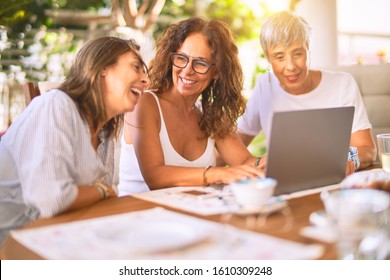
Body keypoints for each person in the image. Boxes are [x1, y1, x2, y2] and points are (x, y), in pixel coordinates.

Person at [0, 36, 149, 246]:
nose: (146, 81)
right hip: (12, 246)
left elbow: (97, 204)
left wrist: (99, 194)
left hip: (57, 238)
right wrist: (102, 191)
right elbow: (53, 200)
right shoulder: (55, 105)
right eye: (136, 67)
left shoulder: (105, 131)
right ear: (102, 67)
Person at [118, 17, 263, 195]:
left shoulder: (209, 114)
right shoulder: (144, 103)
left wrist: (266, 162)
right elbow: (155, 177)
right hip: (136, 214)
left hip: (186, 215)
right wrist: (218, 173)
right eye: (181, 58)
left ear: (217, 71)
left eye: (200, 63)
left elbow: (244, 161)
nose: (187, 70)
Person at [237, 11, 376, 175]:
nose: (290, 66)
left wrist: (347, 160)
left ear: (308, 50)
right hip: (286, 186)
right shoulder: (264, 85)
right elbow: (232, 145)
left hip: (332, 182)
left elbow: (367, 150)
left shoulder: (342, 84)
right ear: (268, 59)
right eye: (279, 57)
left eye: (297, 54)